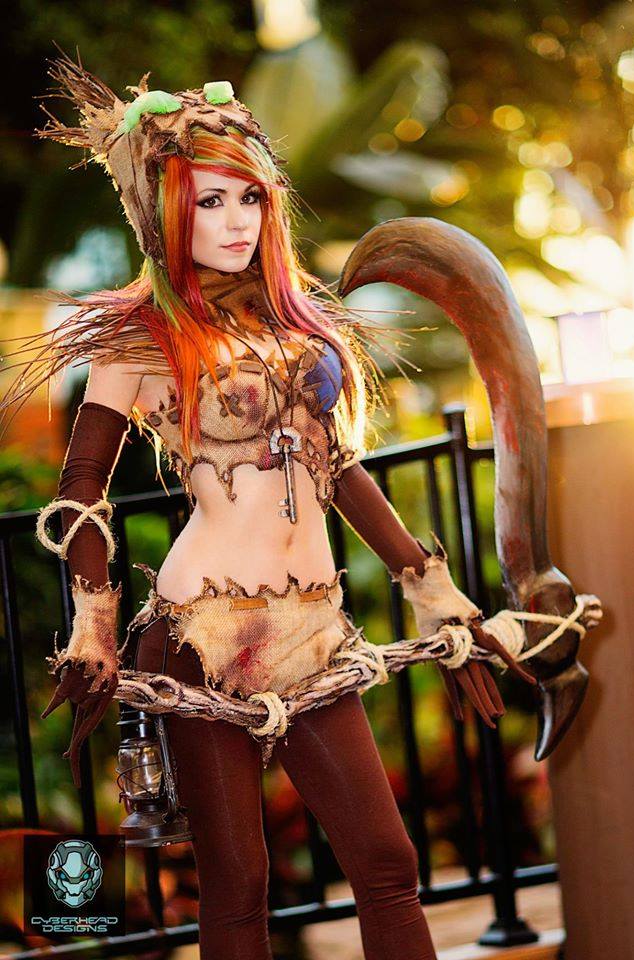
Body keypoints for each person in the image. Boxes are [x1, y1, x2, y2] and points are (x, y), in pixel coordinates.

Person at [4, 50, 536, 960]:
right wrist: (94, 627)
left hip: (311, 630)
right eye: (210, 200)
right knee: (239, 885)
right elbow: (81, 486)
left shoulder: (293, 323)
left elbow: (341, 471)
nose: (236, 220)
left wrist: (434, 592)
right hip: (201, 631)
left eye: (249, 197)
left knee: (386, 862)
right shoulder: (141, 334)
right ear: (166, 213)